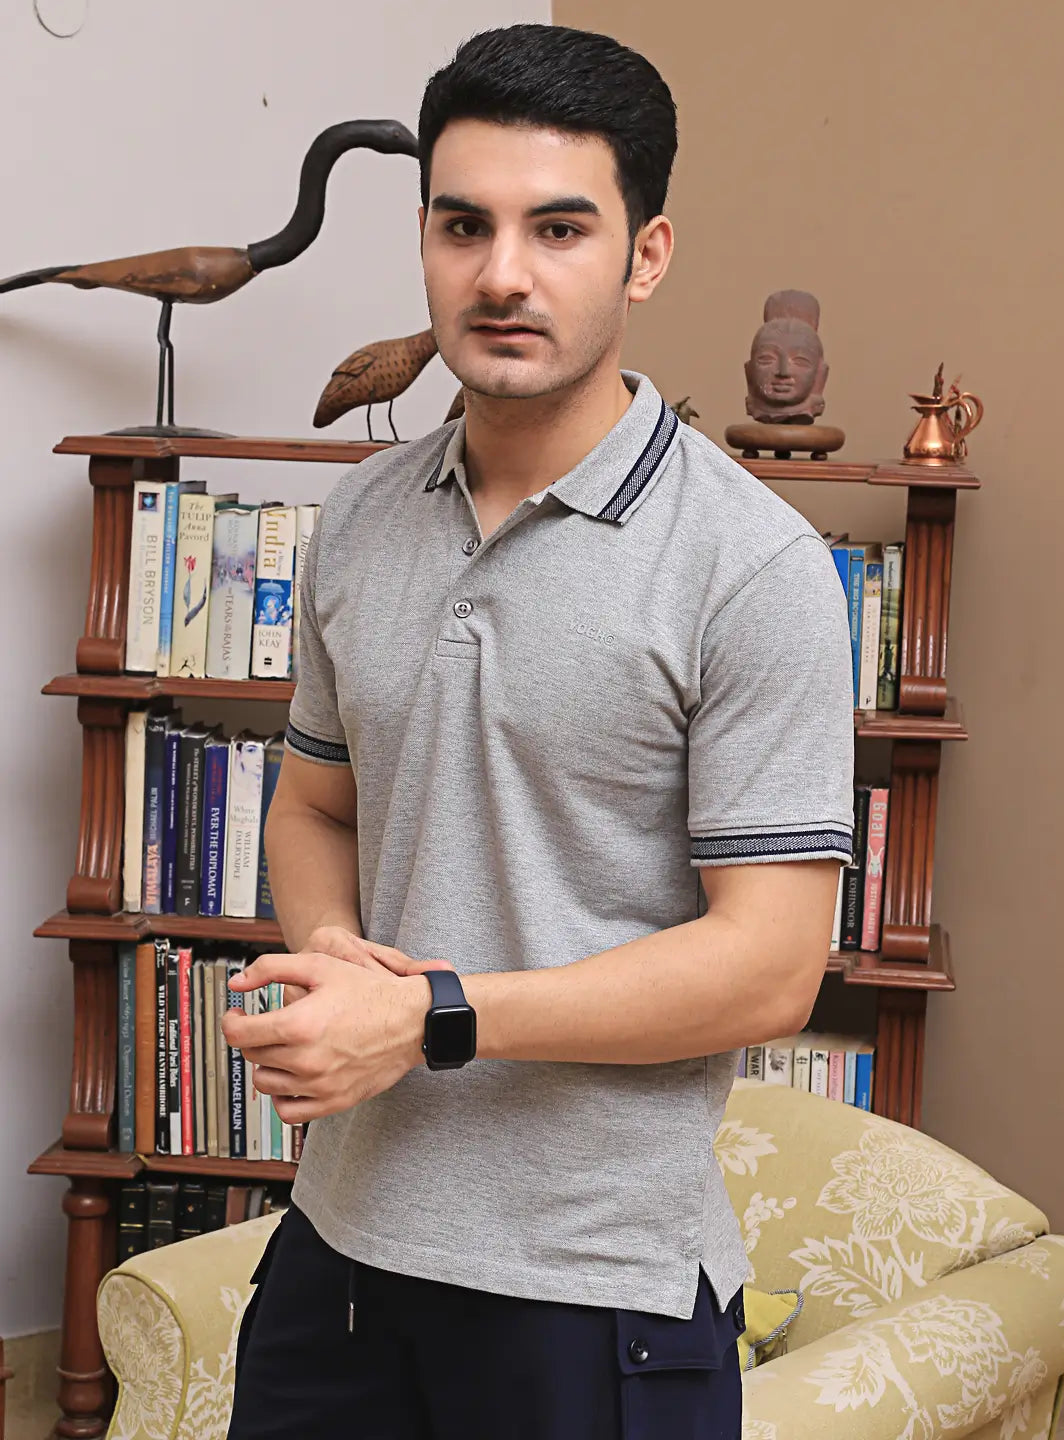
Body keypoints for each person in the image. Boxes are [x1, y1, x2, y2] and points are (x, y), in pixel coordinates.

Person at [224, 22, 854, 1440]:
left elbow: (770, 967)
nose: (502, 273)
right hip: (336, 1261)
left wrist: (435, 1016)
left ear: (645, 255)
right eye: (465, 225)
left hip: (598, 1301)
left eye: (559, 227)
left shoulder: (751, 566)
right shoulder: (363, 519)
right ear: (428, 240)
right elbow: (317, 807)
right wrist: (340, 964)